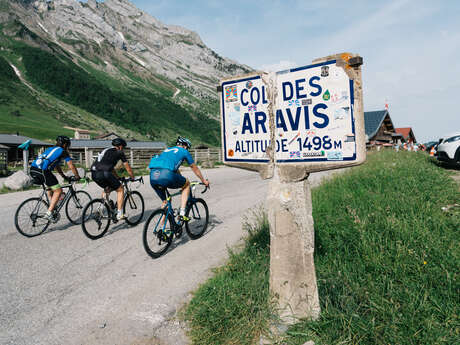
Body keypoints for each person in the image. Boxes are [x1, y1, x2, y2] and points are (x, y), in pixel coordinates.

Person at [149, 136, 210, 221]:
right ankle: (182, 213)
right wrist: (203, 180)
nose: (187, 149)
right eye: (187, 148)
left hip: (153, 176)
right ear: (185, 146)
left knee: (165, 201)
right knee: (187, 184)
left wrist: (180, 179)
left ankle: (162, 228)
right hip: (167, 175)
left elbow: (174, 169)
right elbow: (194, 167)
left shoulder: (167, 150)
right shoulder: (184, 151)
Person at [30, 135, 81, 221]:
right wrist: (77, 176)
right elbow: (71, 165)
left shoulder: (50, 149)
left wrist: (63, 176)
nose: (68, 147)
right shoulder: (63, 151)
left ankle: (51, 207)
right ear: (65, 144)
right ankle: (49, 213)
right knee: (58, 191)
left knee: (51, 186)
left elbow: (56, 165)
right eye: (67, 145)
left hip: (33, 169)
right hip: (43, 171)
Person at [91, 137, 135, 220]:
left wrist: (117, 177)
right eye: (123, 148)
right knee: (120, 189)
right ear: (121, 146)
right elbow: (127, 167)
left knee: (107, 188)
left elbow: (110, 168)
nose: (123, 149)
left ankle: (100, 208)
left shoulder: (106, 150)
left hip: (94, 173)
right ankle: (120, 213)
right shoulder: (120, 152)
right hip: (105, 173)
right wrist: (132, 177)